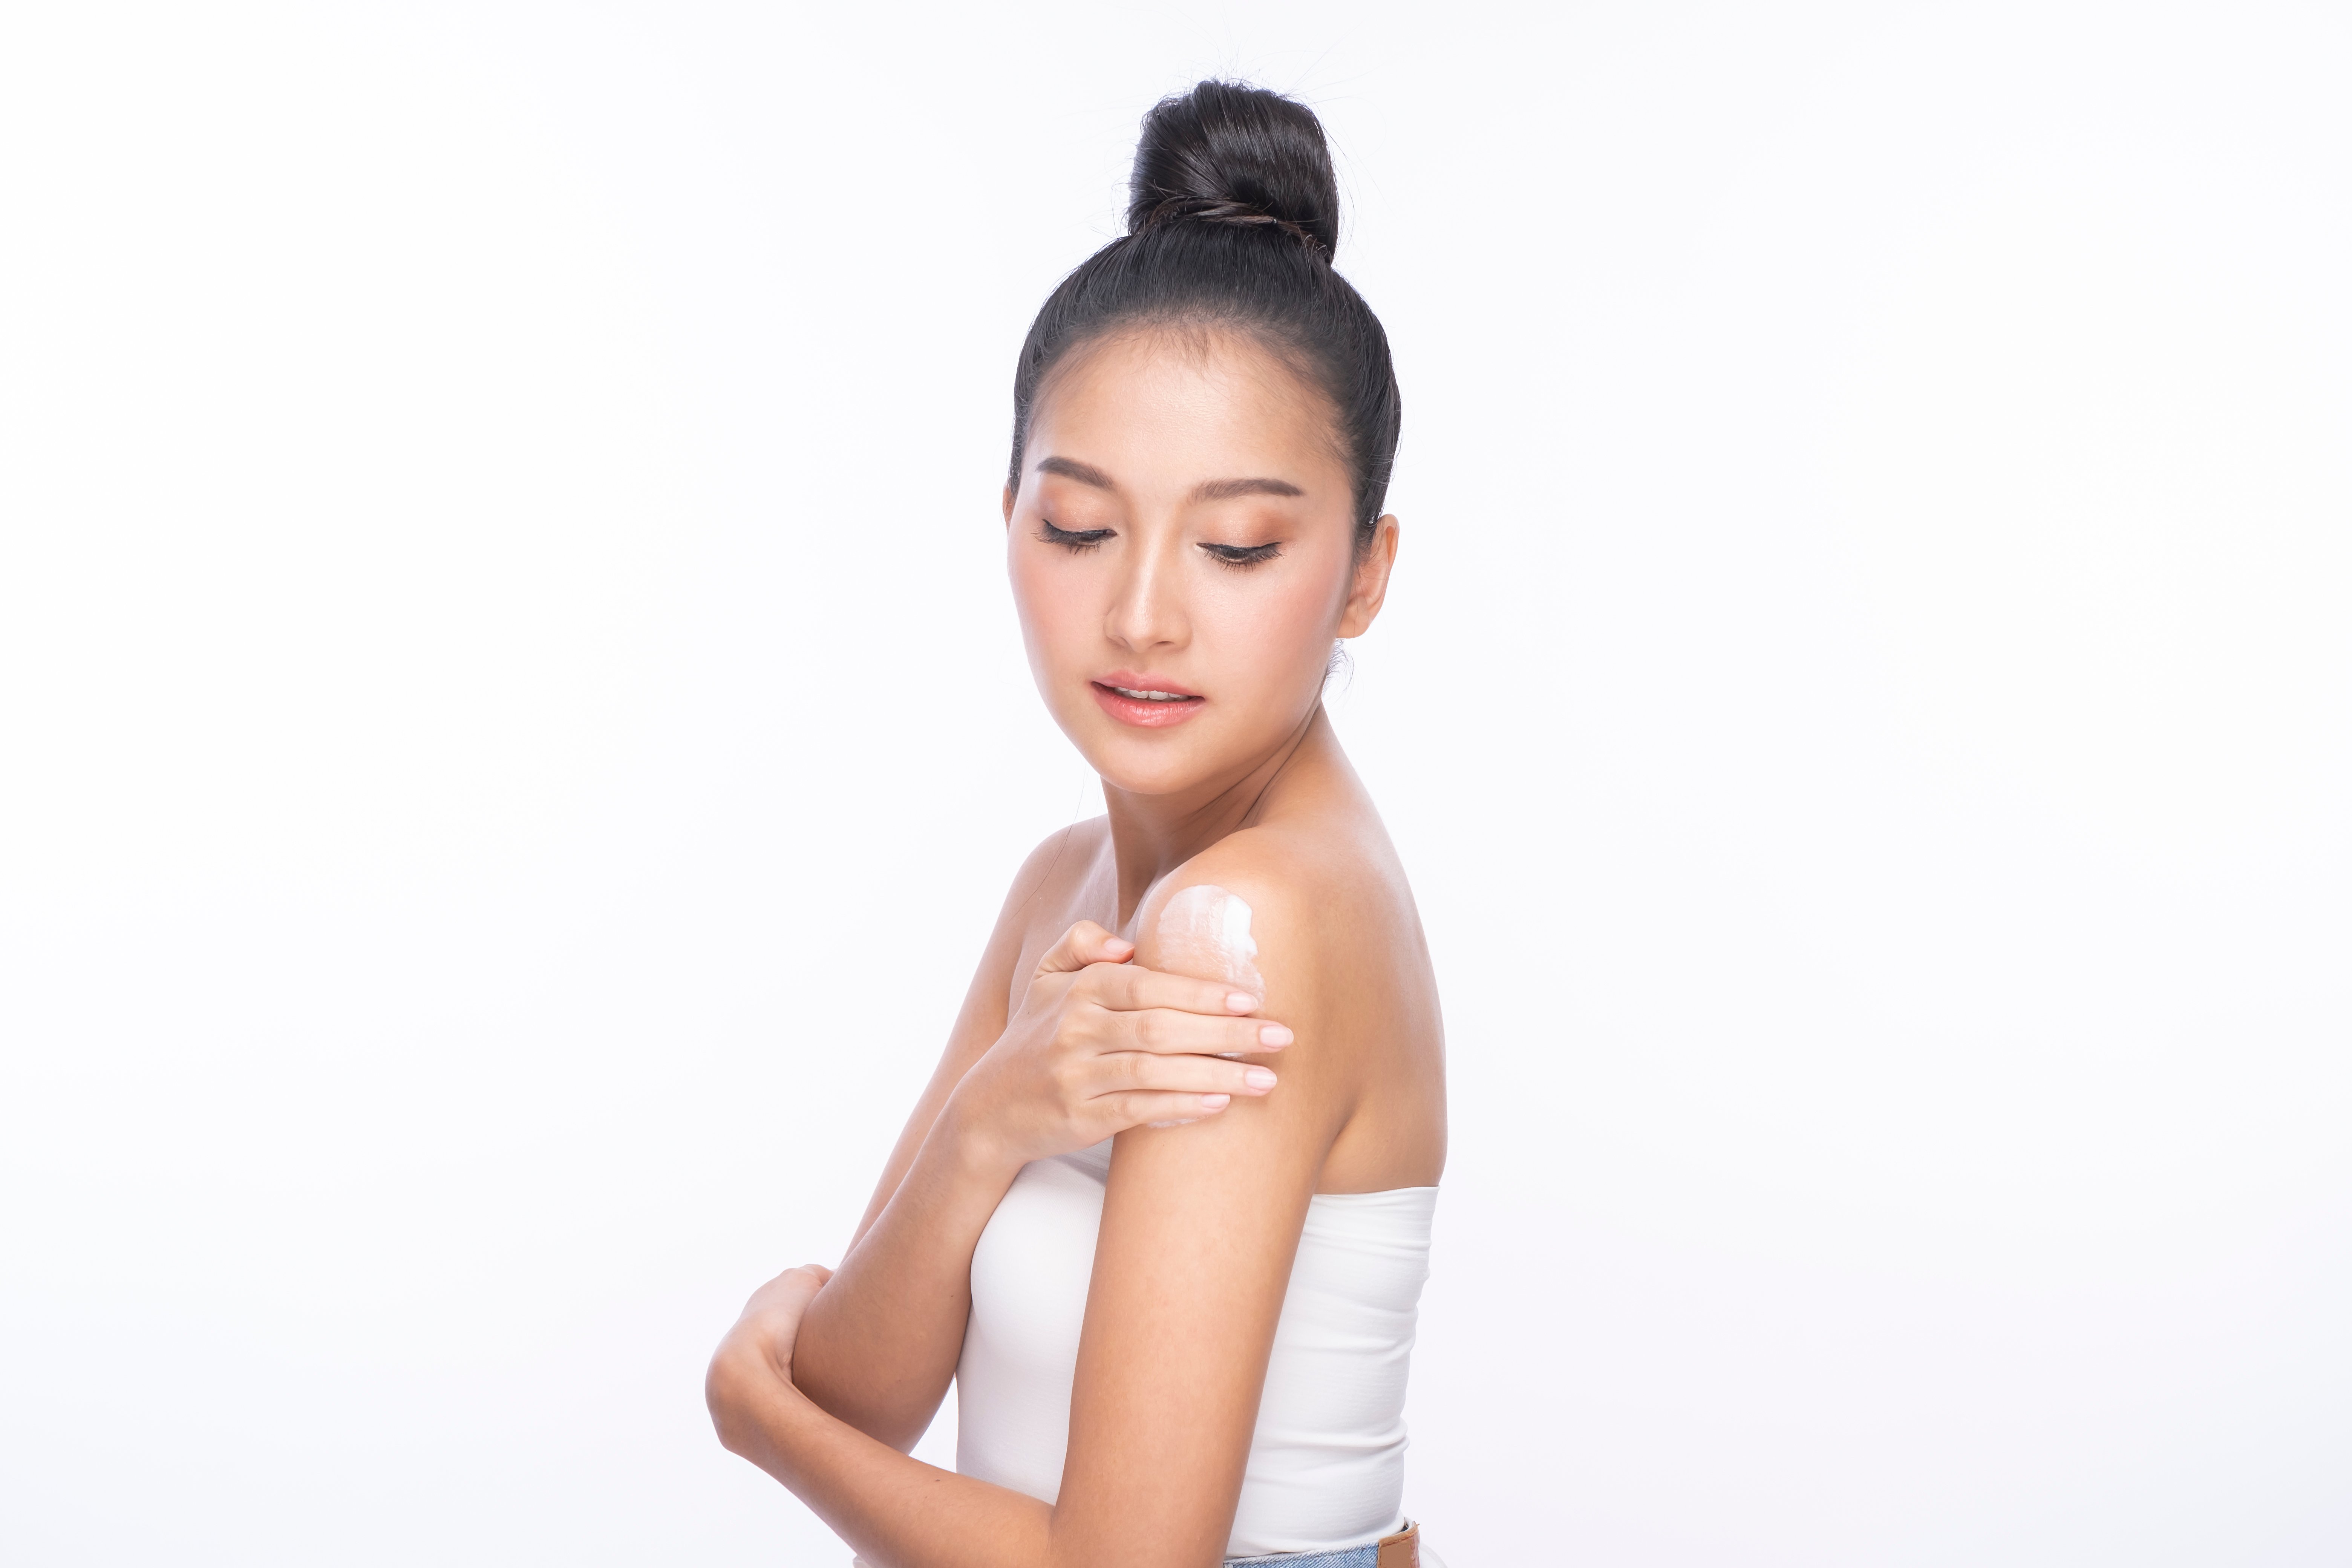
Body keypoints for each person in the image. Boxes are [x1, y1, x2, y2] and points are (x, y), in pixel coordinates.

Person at [704, 80, 1448, 1568]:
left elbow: (1098, 1556)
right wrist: (996, 1113)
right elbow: (872, 1378)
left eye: (1240, 544)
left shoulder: (1252, 922)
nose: (1143, 613)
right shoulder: (1070, 885)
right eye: (1080, 527)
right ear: (1008, 520)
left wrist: (759, 1416)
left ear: (1365, 573)